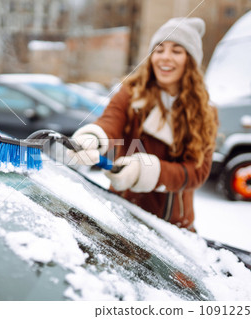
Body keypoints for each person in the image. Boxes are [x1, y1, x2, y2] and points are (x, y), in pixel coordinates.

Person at [67, 17, 218, 231]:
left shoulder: (206, 111)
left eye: (176, 51)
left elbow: (196, 172)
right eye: (159, 49)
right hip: (122, 213)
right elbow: (110, 121)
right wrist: (93, 137)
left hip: (173, 227)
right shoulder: (131, 93)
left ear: (190, 60)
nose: (165, 57)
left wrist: (146, 171)